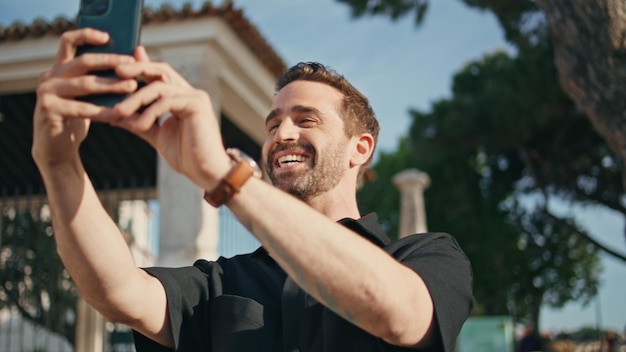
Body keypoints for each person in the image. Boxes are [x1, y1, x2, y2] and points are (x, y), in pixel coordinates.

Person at [32, 27, 474, 352]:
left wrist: (226, 176)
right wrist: (58, 164)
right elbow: (117, 292)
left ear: (360, 148)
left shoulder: (427, 257)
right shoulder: (221, 280)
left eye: (306, 120)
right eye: (273, 123)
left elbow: (399, 314)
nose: (281, 133)